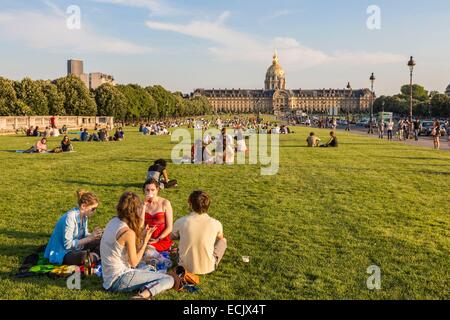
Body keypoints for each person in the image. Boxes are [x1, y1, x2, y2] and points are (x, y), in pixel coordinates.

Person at [100, 192, 174, 299]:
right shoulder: (128, 232)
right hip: (119, 279)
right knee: (168, 279)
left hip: (108, 277)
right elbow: (134, 263)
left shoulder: (113, 221)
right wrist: (145, 241)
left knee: (150, 268)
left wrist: (142, 236)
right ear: (135, 210)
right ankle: (141, 296)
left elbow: (127, 249)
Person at [171, 191, 227, 275]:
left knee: (181, 242)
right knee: (223, 241)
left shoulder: (181, 221)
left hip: (183, 266)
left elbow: (171, 236)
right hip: (209, 267)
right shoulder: (216, 223)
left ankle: (178, 253)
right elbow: (220, 238)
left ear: (190, 204)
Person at [44, 190, 102, 265]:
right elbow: (68, 245)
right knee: (82, 257)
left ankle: (93, 257)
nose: (94, 211)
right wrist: (90, 238)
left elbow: (84, 235)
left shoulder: (84, 216)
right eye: (93, 209)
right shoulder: (70, 217)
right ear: (83, 206)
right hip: (63, 252)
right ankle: (93, 256)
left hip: (78, 247)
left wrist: (95, 236)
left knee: (103, 240)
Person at [141, 179, 174, 254]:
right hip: (146, 238)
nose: (150, 193)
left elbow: (170, 227)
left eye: (152, 190)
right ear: (144, 191)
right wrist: (143, 206)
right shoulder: (142, 205)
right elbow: (140, 225)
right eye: (147, 190)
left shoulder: (165, 203)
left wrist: (158, 239)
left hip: (161, 239)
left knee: (148, 252)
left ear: (157, 190)